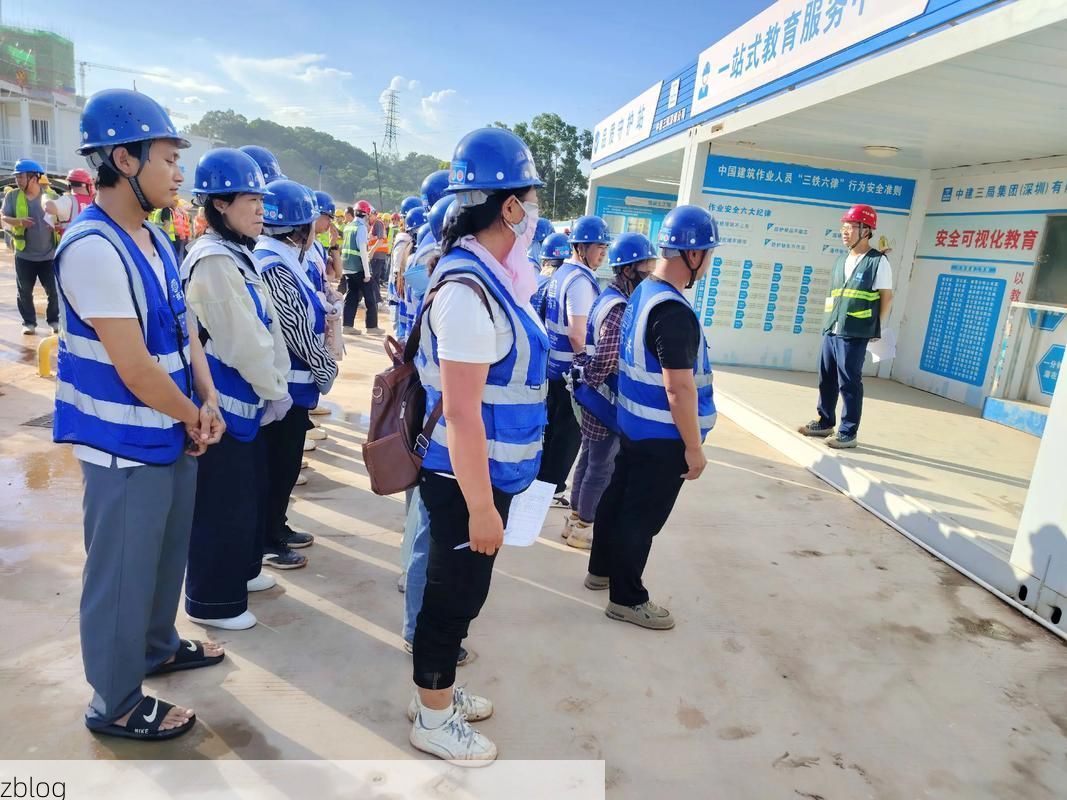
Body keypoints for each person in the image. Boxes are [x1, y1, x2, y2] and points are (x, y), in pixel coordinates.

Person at [53, 88, 226, 741]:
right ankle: (115, 701)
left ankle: (156, 647)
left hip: (170, 430)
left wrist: (204, 401)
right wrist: (192, 414)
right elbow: (133, 367)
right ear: (124, 159)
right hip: (124, 444)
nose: (179, 172)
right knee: (122, 573)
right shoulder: (94, 247)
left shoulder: (153, 238)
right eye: (168, 157)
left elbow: (184, 336)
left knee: (162, 558)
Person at [408, 127, 547, 762]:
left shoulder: (490, 277)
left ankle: (439, 692)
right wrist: (484, 507)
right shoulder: (467, 292)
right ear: (508, 207)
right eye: (531, 200)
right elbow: (463, 416)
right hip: (466, 481)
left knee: (466, 592)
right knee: (450, 594)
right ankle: (432, 719)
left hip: (485, 478)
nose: (536, 213)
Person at [586, 205, 719, 631]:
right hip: (663, 437)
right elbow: (678, 388)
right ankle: (627, 599)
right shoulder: (673, 312)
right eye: (709, 253)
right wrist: (694, 449)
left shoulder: (643, 293)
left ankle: (600, 571)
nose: (710, 261)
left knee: (619, 498)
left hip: (634, 427)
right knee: (640, 518)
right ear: (693, 255)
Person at [180, 148, 290, 630]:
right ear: (220, 204)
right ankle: (213, 602)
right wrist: (275, 388)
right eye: (251, 199)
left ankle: (242, 574)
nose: (261, 208)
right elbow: (243, 340)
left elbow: (267, 330)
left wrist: (271, 387)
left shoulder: (237, 254)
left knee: (246, 497)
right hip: (223, 403)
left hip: (248, 401)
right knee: (221, 506)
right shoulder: (213, 261)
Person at [255, 180, 338, 569]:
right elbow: (297, 329)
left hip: (293, 388)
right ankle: (267, 539)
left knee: (284, 465)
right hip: (284, 388)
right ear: (300, 229)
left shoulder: (285, 259)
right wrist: (326, 369)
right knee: (276, 466)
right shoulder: (274, 265)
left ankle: (278, 525)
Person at [566, 232, 656, 549]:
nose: (651, 271)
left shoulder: (607, 296)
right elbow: (606, 356)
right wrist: (593, 381)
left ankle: (575, 517)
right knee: (601, 468)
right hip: (603, 400)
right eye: (646, 265)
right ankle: (585, 527)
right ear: (629, 270)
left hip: (593, 397)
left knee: (588, 458)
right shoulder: (619, 308)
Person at [798, 204, 893, 449]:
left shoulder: (878, 262)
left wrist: (877, 328)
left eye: (850, 227)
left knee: (849, 381)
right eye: (844, 227)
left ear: (866, 230)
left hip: (855, 330)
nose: (845, 232)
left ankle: (848, 432)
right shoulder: (841, 259)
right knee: (826, 377)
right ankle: (825, 421)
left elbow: (887, 297)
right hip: (833, 328)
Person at [538, 214, 610, 507]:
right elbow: (578, 331)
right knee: (567, 435)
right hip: (570, 371)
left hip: (554, 367)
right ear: (581, 247)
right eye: (598, 247)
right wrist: (588, 368)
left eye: (605, 248)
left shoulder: (562, 273)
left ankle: (543, 486)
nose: (603, 253)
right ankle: (553, 490)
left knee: (554, 429)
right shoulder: (580, 281)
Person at [3, 158, 59, 335]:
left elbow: (65, 220)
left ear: (34, 178)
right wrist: (19, 221)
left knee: (54, 291)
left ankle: (54, 320)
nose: (17, 181)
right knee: (24, 292)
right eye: (17, 177)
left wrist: (57, 227)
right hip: (24, 256)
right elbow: (3, 217)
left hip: (49, 255)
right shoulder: (13, 196)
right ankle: (29, 323)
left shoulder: (51, 197)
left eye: (21, 177)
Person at [341, 199, 378, 334]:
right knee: (370, 298)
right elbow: (363, 251)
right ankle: (372, 327)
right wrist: (367, 274)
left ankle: (347, 325)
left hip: (347, 268)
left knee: (351, 296)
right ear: (366, 214)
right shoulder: (361, 228)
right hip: (359, 268)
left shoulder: (348, 226)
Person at [46, 167, 94, 239]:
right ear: (85, 185)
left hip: (72, 245)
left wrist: (44, 198)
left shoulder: (68, 200)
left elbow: (49, 207)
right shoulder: (95, 201)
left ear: (70, 185)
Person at [366, 205, 390, 309]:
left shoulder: (378, 223)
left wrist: (371, 252)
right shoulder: (374, 225)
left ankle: (378, 300)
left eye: (369, 216)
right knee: (374, 277)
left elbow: (380, 240)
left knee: (373, 277)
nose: (368, 218)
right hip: (377, 254)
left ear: (374, 215)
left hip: (377, 254)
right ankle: (376, 298)